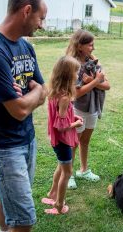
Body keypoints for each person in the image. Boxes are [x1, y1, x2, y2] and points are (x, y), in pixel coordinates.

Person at [0, 0, 48, 232]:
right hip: (4, 142)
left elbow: (43, 90)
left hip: (27, 137)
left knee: (6, 193)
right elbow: (18, 110)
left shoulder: (26, 48)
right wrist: (33, 94)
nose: (42, 25)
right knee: (25, 218)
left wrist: (33, 95)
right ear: (27, 11)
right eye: (41, 18)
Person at [65, 29, 110, 189]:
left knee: (85, 141)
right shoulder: (73, 65)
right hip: (78, 109)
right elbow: (76, 93)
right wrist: (96, 81)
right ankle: (68, 174)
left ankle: (83, 170)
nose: (93, 48)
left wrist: (94, 80)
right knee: (74, 143)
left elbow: (107, 85)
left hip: (92, 108)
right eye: (90, 45)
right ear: (80, 46)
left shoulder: (94, 63)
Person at [41, 56, 83, 215]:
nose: (78, 75)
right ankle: (59, 205)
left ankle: (52, 194)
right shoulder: (65, 97)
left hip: (57, 141)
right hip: (62, 141)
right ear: (68, 75)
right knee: (67, 172)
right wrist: (76, 124)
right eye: (76, 72)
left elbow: (60, 117)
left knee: (61, 166)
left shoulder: (55, 93)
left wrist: (73, 118)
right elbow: (60, 126)